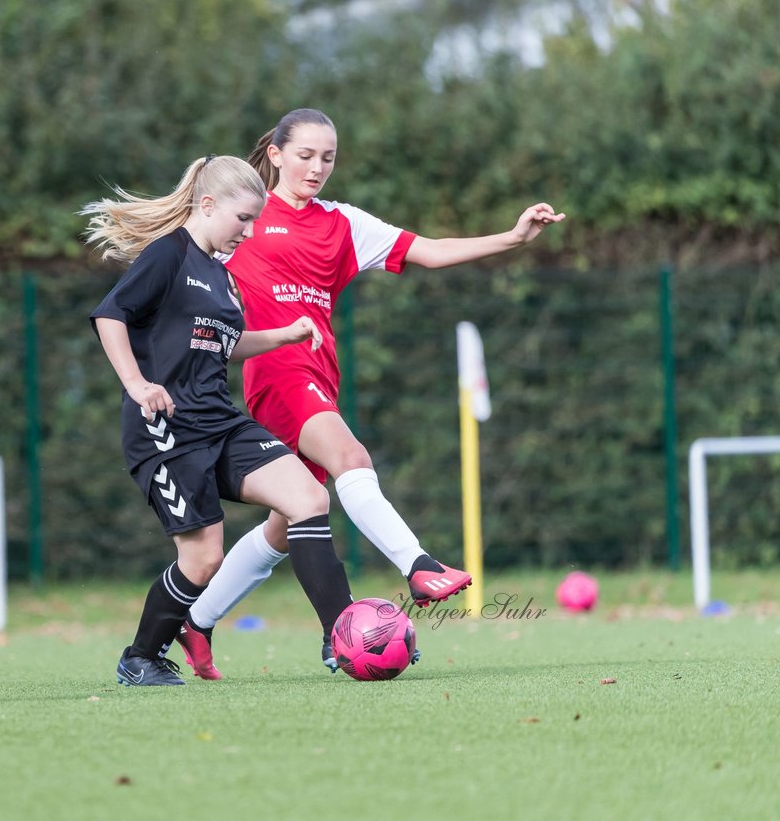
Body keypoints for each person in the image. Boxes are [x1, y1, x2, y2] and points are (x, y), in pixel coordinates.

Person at [174, 108, 565, 679]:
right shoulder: (249, 218)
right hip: (278, 377)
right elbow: (182, 264)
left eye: (328, 158)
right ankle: (419, 566)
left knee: (289, 526)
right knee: (351, 459)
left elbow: (428, 251)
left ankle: (197, 623)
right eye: (305, 155)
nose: (317, 168)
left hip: (319, 377)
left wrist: (512, 236)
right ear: (277, 154)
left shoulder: (342, 223)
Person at [85, 154, 359, 686]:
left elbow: (221, 344)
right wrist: (137, 385)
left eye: (257, 220)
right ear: (207, 205)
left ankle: (341, 637)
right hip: (166, 428)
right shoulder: (168, 255)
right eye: (243, 219)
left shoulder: (222, 275)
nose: (251, 231)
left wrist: (282, 335)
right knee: (203, 556)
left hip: (220, 421)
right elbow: (109, 314)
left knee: (309, 498)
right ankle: (140, 656)